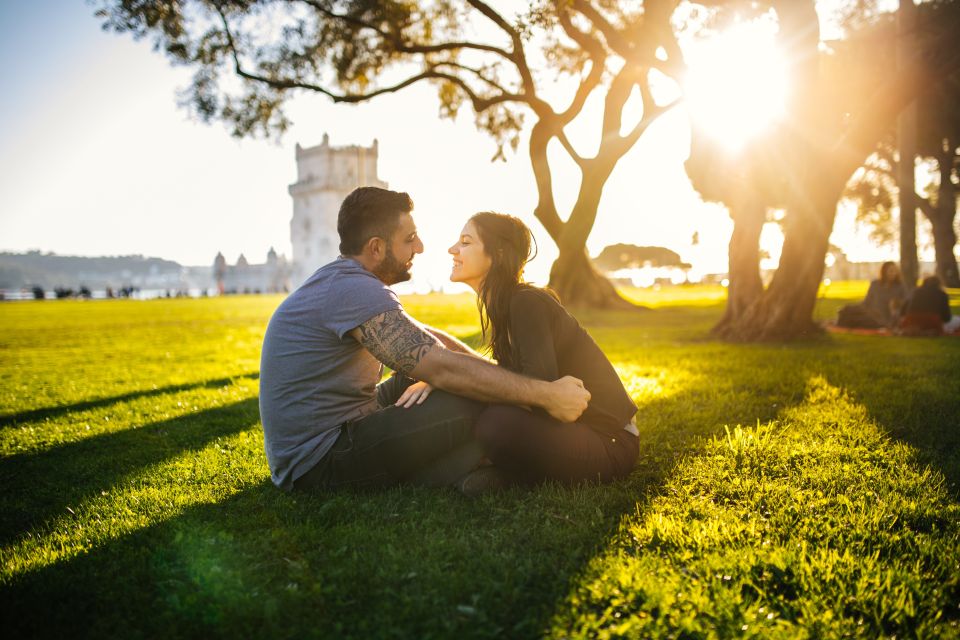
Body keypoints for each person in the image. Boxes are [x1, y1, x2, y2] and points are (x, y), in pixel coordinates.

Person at [258, 187, 590, 493]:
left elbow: (429, 340)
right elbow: (444, 369)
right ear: (376, 247)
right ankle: (486, 463)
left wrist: (505, 381)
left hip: (340, 428)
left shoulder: (345, 282)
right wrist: (545, 395)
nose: (420, 248)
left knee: (441, 381)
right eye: (410, 239)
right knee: (466, 395)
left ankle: (478, 462)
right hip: (319, 460)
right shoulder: (352, 289)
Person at [431, 212, 639, 488]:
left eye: (466, 242)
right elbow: (509, 383)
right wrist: (443, 377)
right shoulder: (506, 306)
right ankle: (501, 468)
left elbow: (538, 392)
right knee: (490, 416)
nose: (452, 249)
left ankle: (509, 474)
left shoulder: (525, 303)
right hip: (578, 433)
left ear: (498, 254)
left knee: (497, 424)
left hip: (610, 442)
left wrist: (457, 382)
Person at [836, 261, 908, 329]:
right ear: (884, 272)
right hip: (871, 315)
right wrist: (851, 308)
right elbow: (866, 303)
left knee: (857, 320)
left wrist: (896, 306)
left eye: (895, 271)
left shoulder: (900, 286)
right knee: (847, 310)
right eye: (891, 271)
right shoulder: (875, 284)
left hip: (884, 320)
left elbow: (904, 305)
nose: (894, 273)